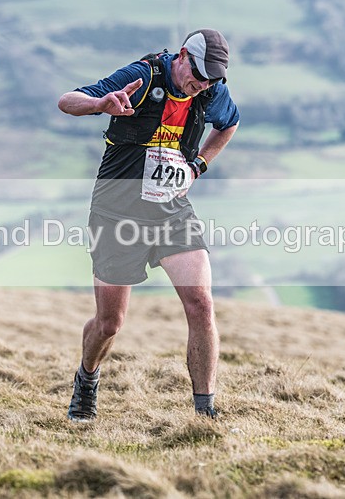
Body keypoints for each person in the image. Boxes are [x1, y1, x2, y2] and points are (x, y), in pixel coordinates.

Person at [57, 29, 240, 421]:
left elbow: (229, 124)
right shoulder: (143, 76)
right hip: (116, 211)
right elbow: (66, 101)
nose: (201, 84)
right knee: (110, 323)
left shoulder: (211, 92)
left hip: (171, 210)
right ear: (182, 57)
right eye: (198, 74)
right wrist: (100, 104)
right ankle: (87, 379)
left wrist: (198, 165)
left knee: (202, 303)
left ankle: (204, 414)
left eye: (211, 78)